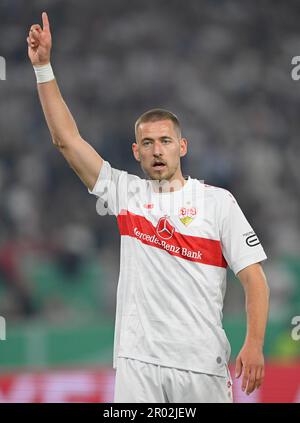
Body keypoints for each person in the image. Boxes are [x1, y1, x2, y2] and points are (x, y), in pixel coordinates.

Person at [27, 12, 270, 403]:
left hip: (201, 365)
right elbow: (67, 141)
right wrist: (43, 69)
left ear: (182, 146)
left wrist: (254, 343)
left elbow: (254, 278)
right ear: (135, 151)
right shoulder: (126, 194)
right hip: (138, 363)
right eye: (149, 143)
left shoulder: (217, 202)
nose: (158, 150)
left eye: (166, 141)